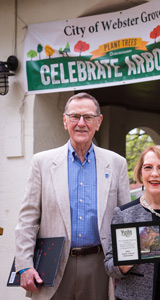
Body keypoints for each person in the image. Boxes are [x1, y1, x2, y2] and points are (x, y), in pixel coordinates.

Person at [15, 92, 130, 300]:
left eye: (88, 117)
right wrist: (24, 266)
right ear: (65, 120)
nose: (81, 123)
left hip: (99, 265)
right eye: (75, 116)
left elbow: (125, 220)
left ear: (98, 121)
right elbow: (27, 219)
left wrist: (125, 264)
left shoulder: (116, 163)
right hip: (53, 266)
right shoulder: (42, 163)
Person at [104, 145, 160, 300]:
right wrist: (125, 262)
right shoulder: (125, 215)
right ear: (141, 173)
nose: (154, 174)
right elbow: (109, 266)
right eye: (148, 167)